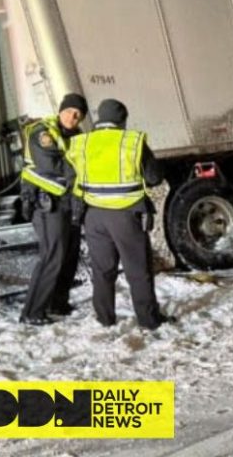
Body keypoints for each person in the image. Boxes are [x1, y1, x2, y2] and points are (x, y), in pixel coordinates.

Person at [66, 99, 170, 329]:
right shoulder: (131, 142)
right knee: (138, 269)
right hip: (125, 215)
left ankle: (104, 318)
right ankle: (148, 320)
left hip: (93, 216)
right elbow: (154, 178)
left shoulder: (82, 143)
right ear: (122, 119)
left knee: (102, 270)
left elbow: (71, 177)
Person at [17, 93, 88, 325]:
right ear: (60, 111)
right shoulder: (42, 132)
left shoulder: (76, 136)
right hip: (48, 204)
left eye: (78, 114)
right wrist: (76, 169)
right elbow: (51, 164)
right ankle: (32, 312)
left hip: (69, 202)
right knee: (52, 256)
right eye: (69, 111)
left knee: (69, 255)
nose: (73, 117)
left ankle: (57, 302)